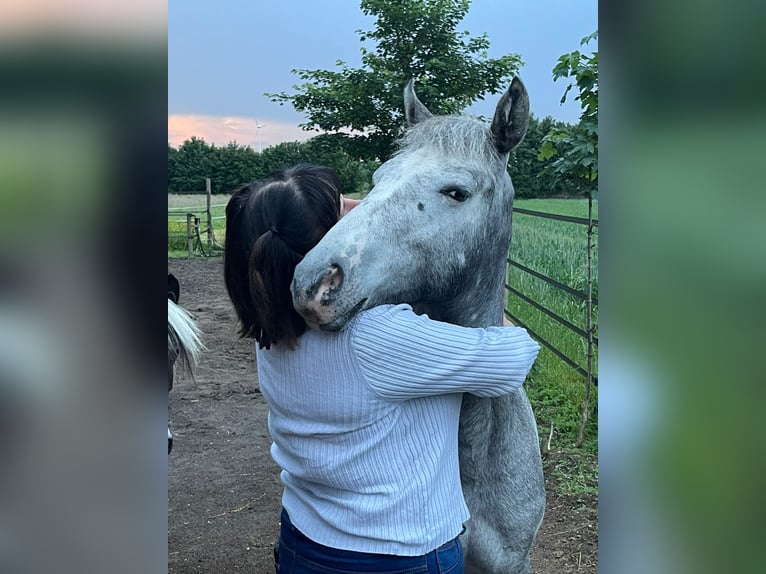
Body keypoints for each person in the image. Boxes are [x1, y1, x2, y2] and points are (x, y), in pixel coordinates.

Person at [223, 163, 540, 574]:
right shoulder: (378, 337)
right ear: (331, 242)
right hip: (399, 554)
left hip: (303, 539)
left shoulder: (269, 327)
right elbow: (515, 354)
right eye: (345, 210)